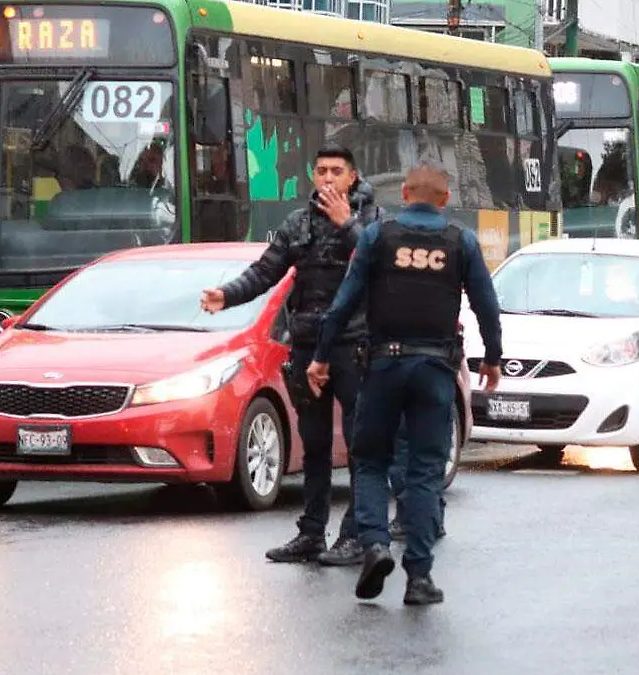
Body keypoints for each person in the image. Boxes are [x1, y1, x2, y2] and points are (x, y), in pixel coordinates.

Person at [307, 161, 502, 605]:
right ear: (446, 201)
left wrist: (320, 357)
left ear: (406, 193)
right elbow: (487, 306)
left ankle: (375, 543)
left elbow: (343, 303)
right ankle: (419, 577)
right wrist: (492, 358)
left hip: (383, 366)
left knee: (372, 459)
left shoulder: (379, 236)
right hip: (435, 371)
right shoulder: (460, 242)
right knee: (424, 471)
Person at [200, 145, 380, 567]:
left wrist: (347, 225)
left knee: (359, 446)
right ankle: (312, 532)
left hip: (354, 344)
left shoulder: (371, 220)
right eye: (321, 171)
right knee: (314, 443)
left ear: (352, 177)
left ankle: (356, 536)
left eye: (337, 171)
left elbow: (381, 265)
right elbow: (266, 271)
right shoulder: (298, 222)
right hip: (306, 343)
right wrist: (226, 295)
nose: (329, 179)